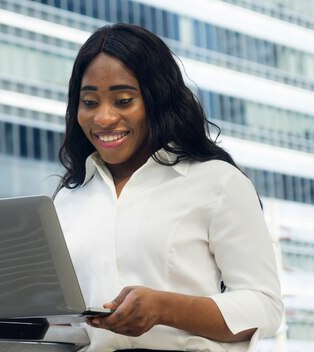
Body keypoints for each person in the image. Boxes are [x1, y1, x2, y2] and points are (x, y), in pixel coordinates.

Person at [53, 23, 283, 352]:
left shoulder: (217, 182)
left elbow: (266, 307)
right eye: (89, 103)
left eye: (122, 100)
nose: (103, 118)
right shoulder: (69, 198)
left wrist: (166, 309)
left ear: (157, 100)